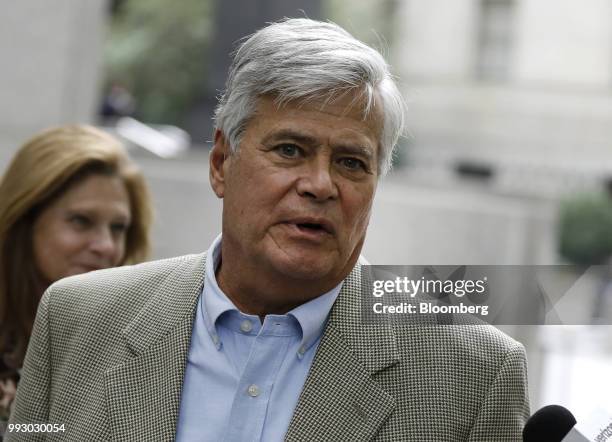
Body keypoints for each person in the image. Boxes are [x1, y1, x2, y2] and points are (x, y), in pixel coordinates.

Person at [8, 19, 529, 441]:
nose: (320, 184)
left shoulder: (472, 374)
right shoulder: (79, 320)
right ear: (220, 162)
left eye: (351, 162)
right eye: (290, 150)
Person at [0, 125, 152, 436]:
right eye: (81, 221)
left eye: (118, 228)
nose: (106, 246)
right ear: (23, 221)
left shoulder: (131, 348)